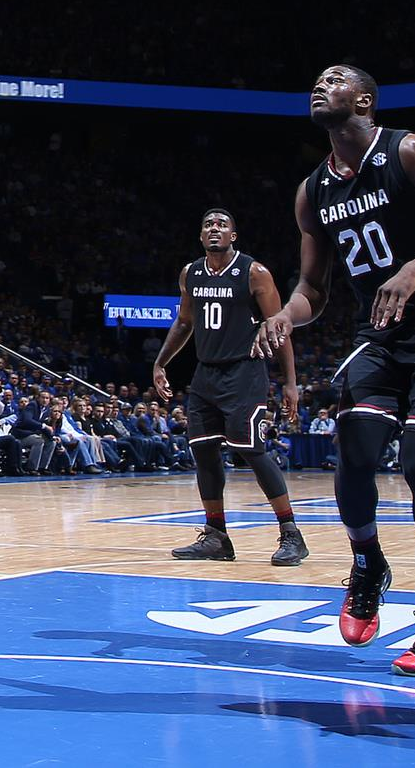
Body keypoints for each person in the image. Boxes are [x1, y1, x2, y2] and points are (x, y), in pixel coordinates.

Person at [257, 65, 415, 676]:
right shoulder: (312, 191)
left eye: (333, 79)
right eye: (314, 79)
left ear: (363, 100)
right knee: (355, 443)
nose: (318, 84)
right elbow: (314, 286)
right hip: (382, 337)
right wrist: (288, 314)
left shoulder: (414, 151)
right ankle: (368, 563)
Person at [155, 208, 307, 567]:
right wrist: (161, 362)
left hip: (245, 372)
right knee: (204, 452)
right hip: (205, 374)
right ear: (201, 234)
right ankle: (217, 536)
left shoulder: (254, 272)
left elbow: (279, 328)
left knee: (252, 450)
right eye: (208, 224)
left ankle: (291, 534)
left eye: (222, 225)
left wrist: (290, 383)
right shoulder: (190, 273)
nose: (214, 229)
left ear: (233, 236)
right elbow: (183, 322)